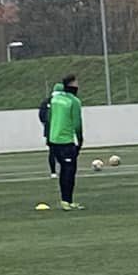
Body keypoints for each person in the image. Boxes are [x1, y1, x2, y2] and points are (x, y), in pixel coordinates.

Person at [46, 74, 86, 210]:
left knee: (65, 169)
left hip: (54, 139)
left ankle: (67, 200)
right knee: (69, 171)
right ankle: (66, 201)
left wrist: (49, 137)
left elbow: (49, 118)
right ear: (73, 85)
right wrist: (80, 140)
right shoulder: (74, 101)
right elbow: (77, 123)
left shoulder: (55, 100)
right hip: (65, 141)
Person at [38, 83, 59, 178]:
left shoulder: (47, 101)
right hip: (60, 130)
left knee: (52, 151)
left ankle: (53, 172)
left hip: (50, 130)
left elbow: (42, 116)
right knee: (62, 150)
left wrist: (46, 125)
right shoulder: (65, 101)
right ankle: (62, 169)